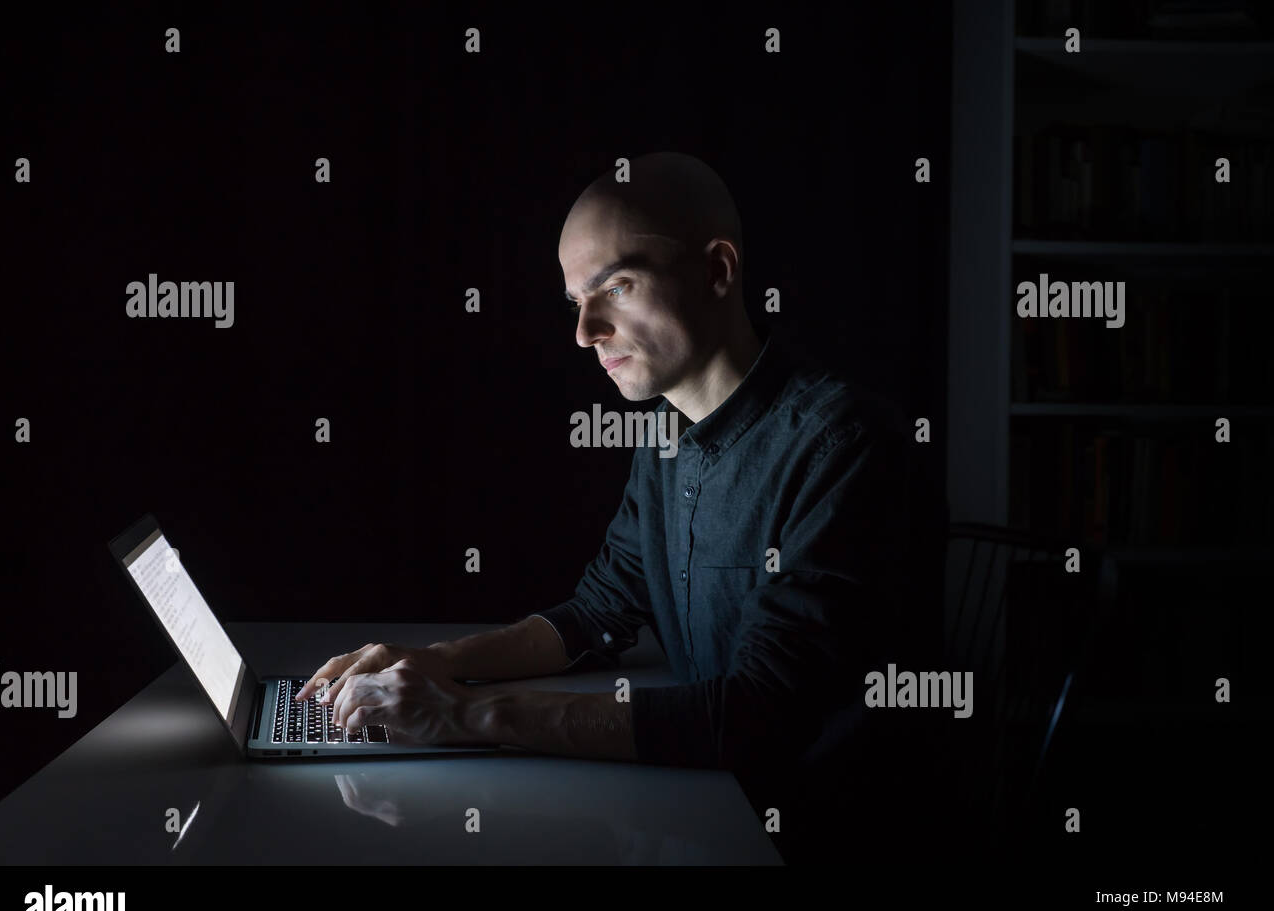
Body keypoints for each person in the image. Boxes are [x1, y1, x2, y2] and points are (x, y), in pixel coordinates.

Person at [294, 152, 948, 862]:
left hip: (819, 842)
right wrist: (427, 662)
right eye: (575, 301)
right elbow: (597, 614)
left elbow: (753, 718)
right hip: (704, 811)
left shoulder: (844, 446)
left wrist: (466, 713)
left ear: (718, 271)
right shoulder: (666, 438)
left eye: (617, 287)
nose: (584, 331)